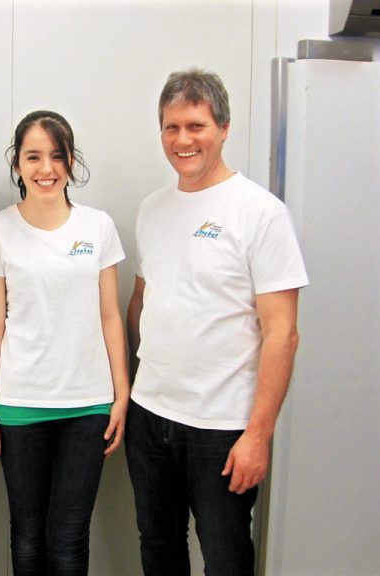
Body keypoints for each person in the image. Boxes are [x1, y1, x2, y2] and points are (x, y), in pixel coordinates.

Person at [125, 68, 309, 575]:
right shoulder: (152, 209)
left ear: (223, 129)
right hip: (150, 416)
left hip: (223, 427)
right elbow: (142, 301)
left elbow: (282, 334)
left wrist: (257, 436)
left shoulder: (261, 213)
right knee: (158, 547)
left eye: (196, 126)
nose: (182, 140)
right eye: (171, 127)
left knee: (226, 559)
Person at [0, 110, 130, 575]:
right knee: (27, 534)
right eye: (34, 156)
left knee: (69, 537)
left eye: (57, 156)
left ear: (71, 161)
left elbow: (110, 316)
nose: (46, 168)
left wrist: (121, 395)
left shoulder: (97, 227)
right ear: (17, 163)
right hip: (19, 403)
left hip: (88, 405)